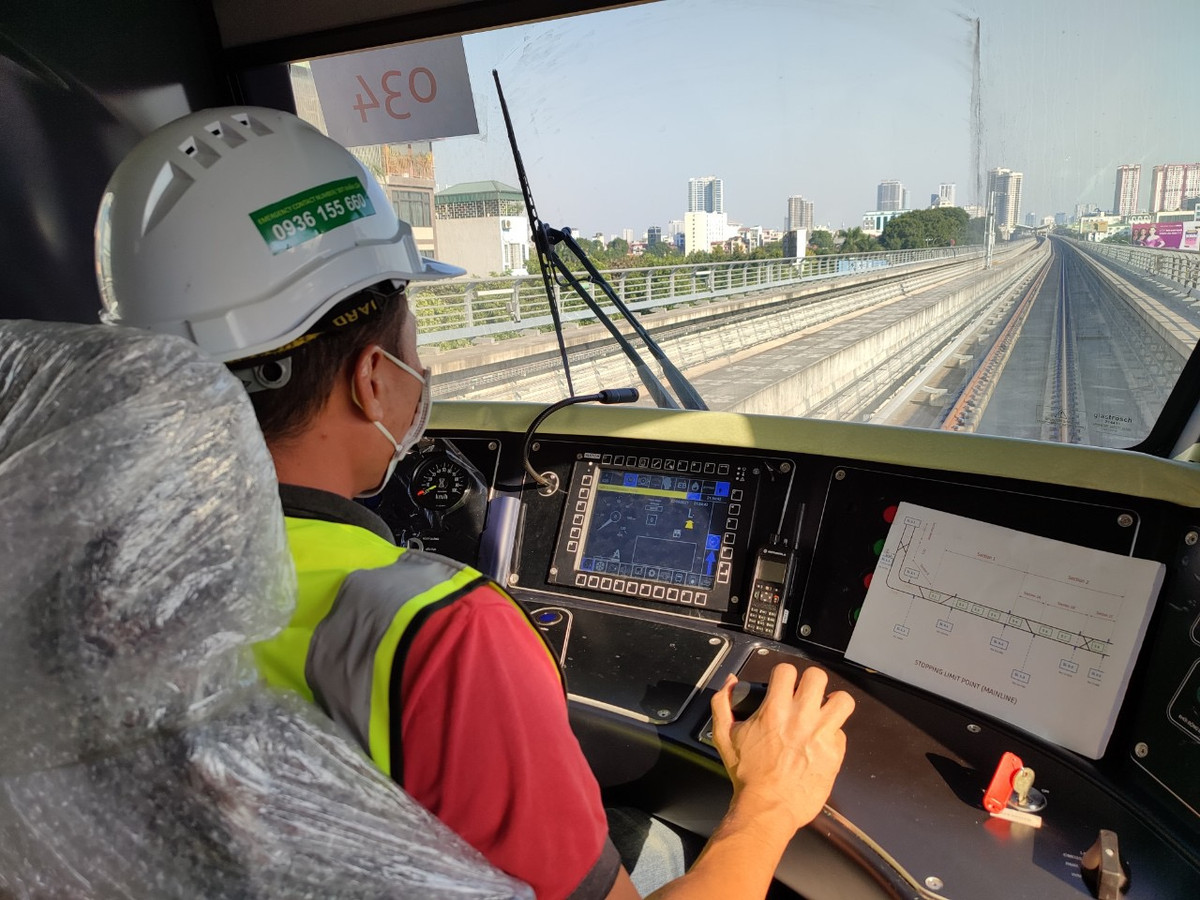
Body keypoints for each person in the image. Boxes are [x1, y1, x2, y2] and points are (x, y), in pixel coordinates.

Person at [95, 106, 855, 900]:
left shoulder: (109, 569)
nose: (422, 369)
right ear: (372, 378)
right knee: (661, 844)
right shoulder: (443, 637)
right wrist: (769, 803)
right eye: (412, 341)